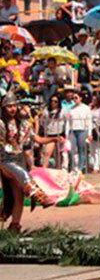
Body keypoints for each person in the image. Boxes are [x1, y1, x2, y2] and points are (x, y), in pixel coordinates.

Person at [1, 95, 54, 232]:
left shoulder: (24, 124)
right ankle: (39, 196)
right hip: (5, 159)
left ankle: (14, 226)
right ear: (3, 107)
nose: (12, 109)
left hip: (19, 159)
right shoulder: (0, 123)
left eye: (14, 105)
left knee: (18, 197)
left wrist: (54, 138)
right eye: (9, 106)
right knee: (24, 176)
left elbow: (37, 139)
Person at [63, 89, 93, 173]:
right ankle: (72, 168)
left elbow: (89, 121)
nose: (74, 99)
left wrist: (89, 133)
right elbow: (68, 122)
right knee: (71, 150)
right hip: (73, 131)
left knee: (81, 150)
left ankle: (80, 168)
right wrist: (66, 133)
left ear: (80, 98)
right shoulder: (71, 109)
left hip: (82, 130)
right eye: (73, 98)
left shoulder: (86, 108)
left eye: (76, 97)